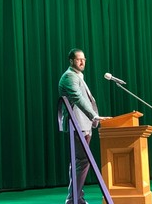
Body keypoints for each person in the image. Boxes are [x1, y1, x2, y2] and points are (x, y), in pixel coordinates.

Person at [58, 48, 111, 204]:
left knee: (79, 162)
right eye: (78, 59)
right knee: (82, 161)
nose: (82, 62)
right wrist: (94, 116)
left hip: (84, 125)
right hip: (78, 125)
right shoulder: (69, 76)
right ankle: (73, 198)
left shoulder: (77, 76)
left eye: (84, 59)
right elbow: (78, 98)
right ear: (71, 61)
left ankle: (76, 198)